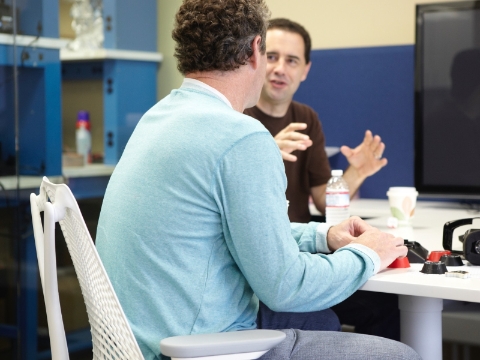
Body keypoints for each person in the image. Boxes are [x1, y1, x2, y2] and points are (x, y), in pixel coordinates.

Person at [95, 1, 420, 360]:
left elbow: (238, 230)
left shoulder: (157, 118)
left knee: (319, 320)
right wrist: (368, 255)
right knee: (401, 355)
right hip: (196, 348)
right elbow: (285, 285)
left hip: (136, 340)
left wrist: (322, 235)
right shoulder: (241, 137)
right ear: (255, 50)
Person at [244, 18, 400, 340]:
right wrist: (265, 152)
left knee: (385, 306)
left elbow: (321, 200)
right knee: (323, 318)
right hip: (264, 267)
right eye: (272, 57)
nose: (279, 69)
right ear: (256, 59)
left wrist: (356, 173)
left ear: (305, 70)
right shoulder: (240, 121)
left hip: (306, 252)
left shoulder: (306, 118)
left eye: (292, 61)